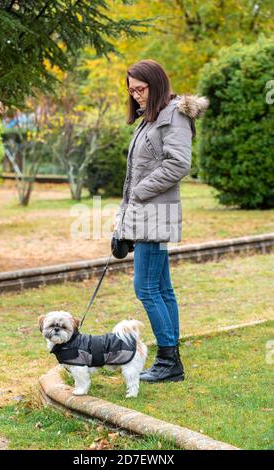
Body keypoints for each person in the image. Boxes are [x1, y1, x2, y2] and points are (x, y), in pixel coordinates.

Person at [113, 59, 209, 383]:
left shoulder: (174, 115)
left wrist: (141, 191)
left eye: (140, 89)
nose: (136, 96)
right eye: (131, 90)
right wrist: (121, 226)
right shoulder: (149, 119)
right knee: (162, 288)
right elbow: (134, 177)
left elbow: (179, 163)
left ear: (156, 84)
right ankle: (172, 361)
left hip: (156, 215)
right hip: (144, 216)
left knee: (146, 288)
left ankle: (169, 361)